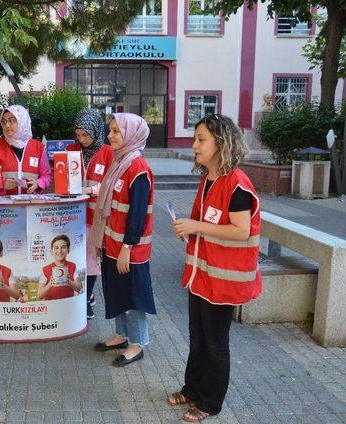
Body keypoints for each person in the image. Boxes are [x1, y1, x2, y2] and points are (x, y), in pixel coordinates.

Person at [168, 114, 261, 422]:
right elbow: (209, 223)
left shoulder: (237, 183)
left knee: (215, 344)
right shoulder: (208, 178)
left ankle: (210, 403)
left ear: (221, 143)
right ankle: (192, 389)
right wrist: (190, 229)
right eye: (195, 139)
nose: (194, 145)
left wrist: (196, 225)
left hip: (223, 282)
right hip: (203, 276)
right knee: (197, 338)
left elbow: (241, 231)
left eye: (201, 139)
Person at [89, 113, 156, 367]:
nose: (110, 135)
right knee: (116, 292)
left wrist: (127, 247)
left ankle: (137, 344)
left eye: (117, 131)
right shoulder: (119, 162)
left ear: (131, 134)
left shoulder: (137, 168)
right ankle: (121, 335)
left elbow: (138, 215)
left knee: (132, 297)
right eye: (111, 130)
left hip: (129, 249)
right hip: (113, 245)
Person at [67, 108, 113, 319]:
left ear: (96, 130)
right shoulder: (71, 150)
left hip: (96, 218)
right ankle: (80, 295)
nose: (82, 139)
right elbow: (63, 178)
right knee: (76, 257)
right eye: (78, 134)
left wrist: (92, 190)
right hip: (74, 216)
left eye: (85, 134)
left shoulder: (108, 153)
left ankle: (87, 298)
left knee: (93, 259)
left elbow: (111, 184)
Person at [0, 105, 52, 195]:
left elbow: (46, 175)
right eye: (4, 122)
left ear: (23, 121)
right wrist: (1, 185)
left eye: (12, 121)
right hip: (2, 205)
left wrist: (38, 183)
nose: (7, 125)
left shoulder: (39, 147)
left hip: (30, 204)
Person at [38, 234, 82, 300]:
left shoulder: (73, 266)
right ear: (51, 251)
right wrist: (50, 283)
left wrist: (68, 281)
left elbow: (79, 288)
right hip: (52, 305)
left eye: (63, 247)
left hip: (68, 303)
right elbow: (40, 295)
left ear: (68, 250)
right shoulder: (45, 269)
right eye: (56, 248)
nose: (59, 251)